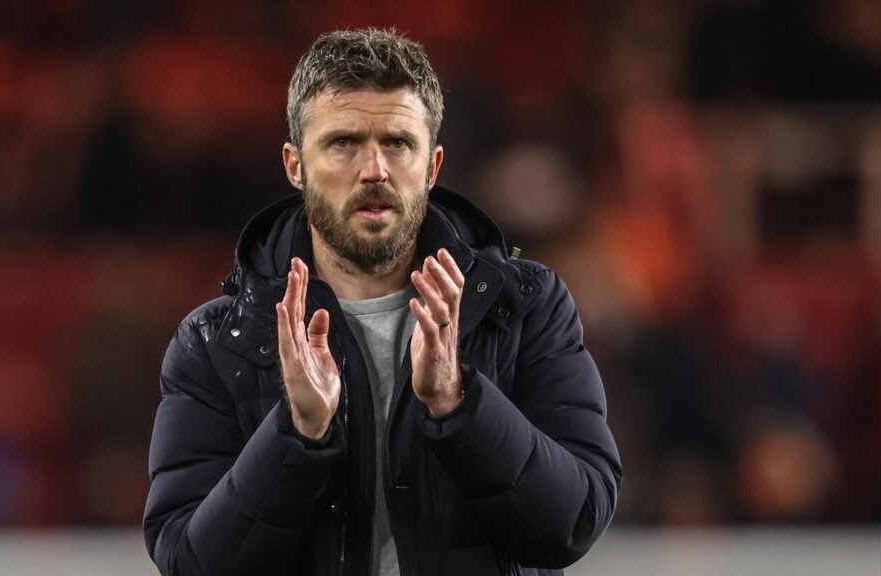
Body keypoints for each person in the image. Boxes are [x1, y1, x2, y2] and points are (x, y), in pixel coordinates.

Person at [143, 28, 621, 576]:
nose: (374, 170)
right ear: (294, 164)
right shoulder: (216, 342)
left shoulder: (525, 307)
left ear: (433, 166)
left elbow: (576, 520)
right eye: (344, 142)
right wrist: (296, 435)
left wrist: (459, 403)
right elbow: (189, 563)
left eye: (397, 143)